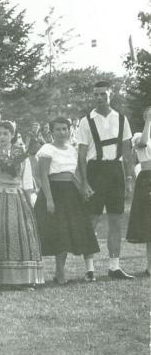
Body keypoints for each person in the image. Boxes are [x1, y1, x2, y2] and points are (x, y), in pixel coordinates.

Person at [76, 81, 136, 280]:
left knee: (116, 220)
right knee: (92, 220)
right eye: (96, 94)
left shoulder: (121, 119)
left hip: (115, 171)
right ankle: (90, 269)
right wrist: (84, 182)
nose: (100, 97)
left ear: (111, 94)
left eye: (103, 94)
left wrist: (128, 178)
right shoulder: (86, 121)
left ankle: (114, 267)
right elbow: (82, 155)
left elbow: (127, 152)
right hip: (95, 171)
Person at [34, 118, 100, 284]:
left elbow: (72, 174)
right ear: (51, 132)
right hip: (54, 192)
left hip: (71, 194)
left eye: (65, 129)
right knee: (58, 232)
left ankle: (61, 272)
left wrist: (83, 189)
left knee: (69, 232)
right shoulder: (46, 149)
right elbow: (43, 176)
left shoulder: (72, 149)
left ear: (70, 130)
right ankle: (59, 273)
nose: (62, 133)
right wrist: (49, 199)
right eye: (58, 129)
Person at [0, 121, 45, 288]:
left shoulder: (21, 156)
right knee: (0, 235)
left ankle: (22, 278)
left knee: (22, 234)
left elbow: (27, 182)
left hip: (18, 197)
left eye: (6, 133)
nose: (2, 137)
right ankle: (0, 278)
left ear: (12, 135)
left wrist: (31, 201)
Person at [126, 106, 151, 276]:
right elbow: (142, 144)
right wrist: (148, 121)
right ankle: (150, 265)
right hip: (147, 177)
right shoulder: (138, 136)